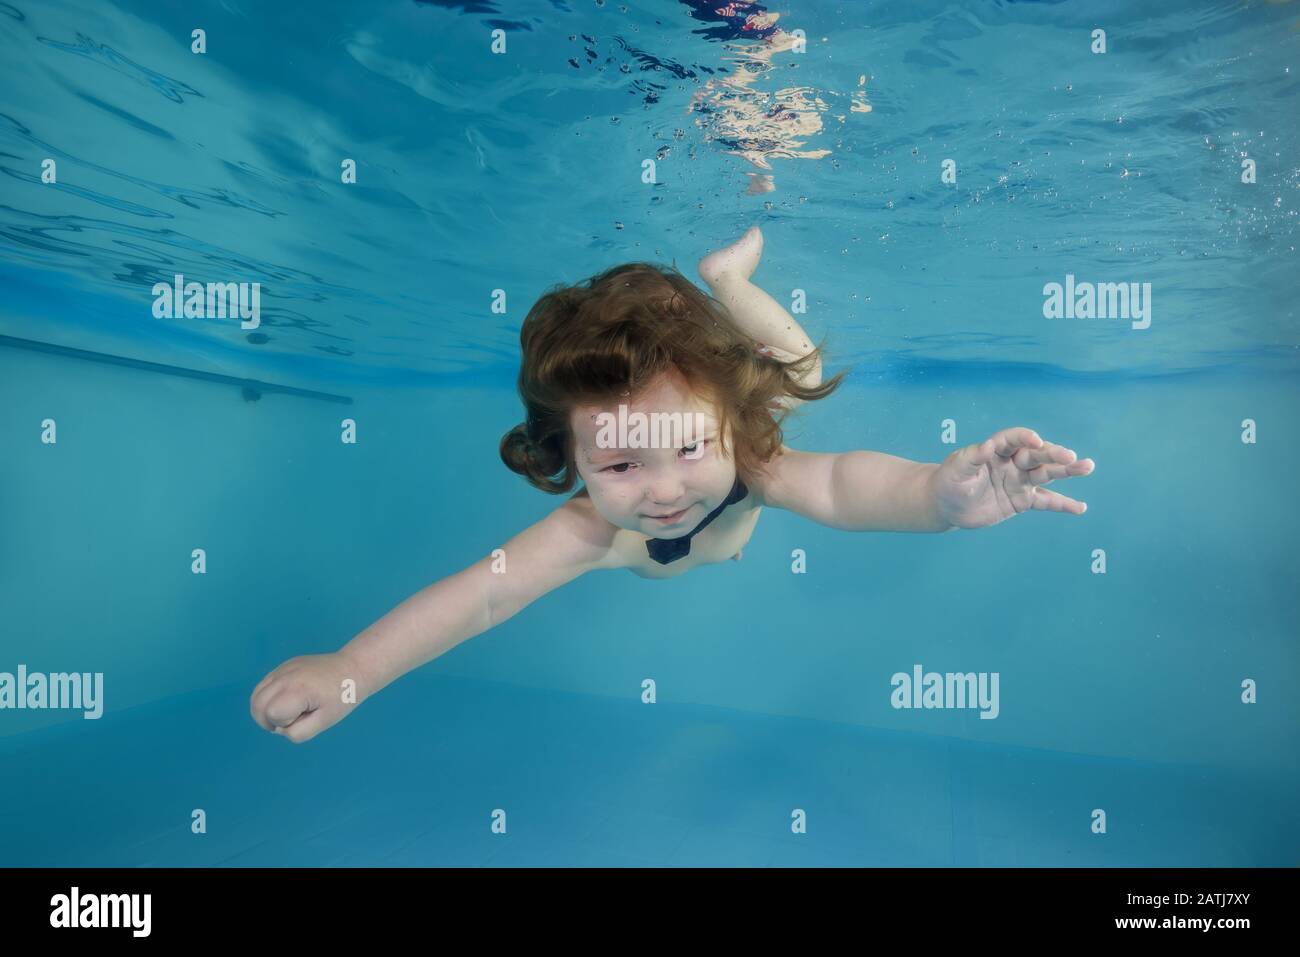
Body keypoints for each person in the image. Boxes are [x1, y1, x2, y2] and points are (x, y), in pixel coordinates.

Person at [250, 226, 1094, 743]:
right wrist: (350, 667)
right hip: (706, 452)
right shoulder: (589, 530)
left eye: (690, 448)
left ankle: (729, 281)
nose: (661, 493)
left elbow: (839, 485)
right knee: (789, 367)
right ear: (570, 457)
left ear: (725, 427)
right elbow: (482, 597)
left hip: (744, 402)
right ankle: (726, 289)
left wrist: (936, 499)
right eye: (618, 462)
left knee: (798, 368)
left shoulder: (751, 461)